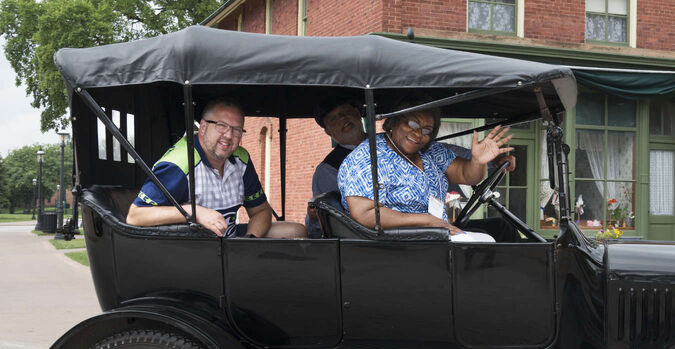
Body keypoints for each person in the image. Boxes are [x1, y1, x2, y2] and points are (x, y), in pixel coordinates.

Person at [127, 97, 305, 238]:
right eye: (221, 126)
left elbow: (261, 211)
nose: (228, 135)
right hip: (192, 251)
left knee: (296, 232)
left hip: (230, 243)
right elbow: (135, 216)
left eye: (237, 130)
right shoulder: (179, 164)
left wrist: (250, 240)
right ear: (203, 127)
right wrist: (193, 212)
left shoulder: (241, 158)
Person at [337, 103, 513, 242]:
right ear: (394, 121)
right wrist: (426, 221)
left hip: (435, 234)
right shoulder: (368, 157)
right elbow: (365, 213)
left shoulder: (430, 151)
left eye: (426, 130)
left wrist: (477, 161)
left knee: (496, 232)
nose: (418, 133)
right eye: (412, 123)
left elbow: (467, 174)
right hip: (399, 244)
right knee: (486, 244)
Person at [306, 95, 366, 237]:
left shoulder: (386, 144)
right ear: (328, 131)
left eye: (345, 112)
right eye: (333, 119)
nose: (342, 119)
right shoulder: (327, 169)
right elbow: (330, 222)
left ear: (357, 114)